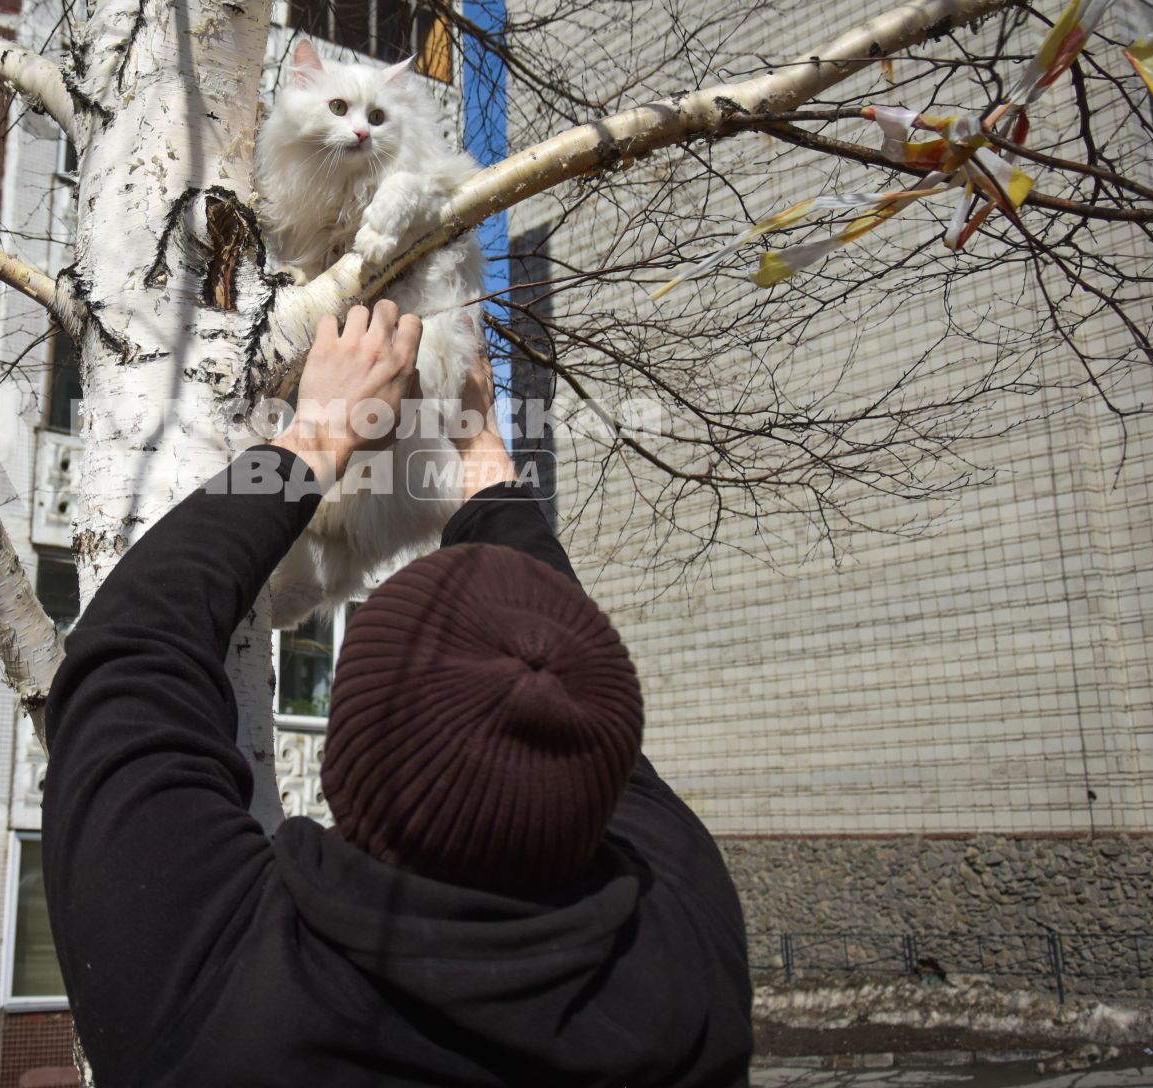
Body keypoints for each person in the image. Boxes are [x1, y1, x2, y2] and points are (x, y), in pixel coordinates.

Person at [41, 302, 753, 1088]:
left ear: (345, 761)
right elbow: (565, 701)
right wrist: (479, 452)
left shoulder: (218, 995)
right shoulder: (688, 966)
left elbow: (130, 645)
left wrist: (312, 441)